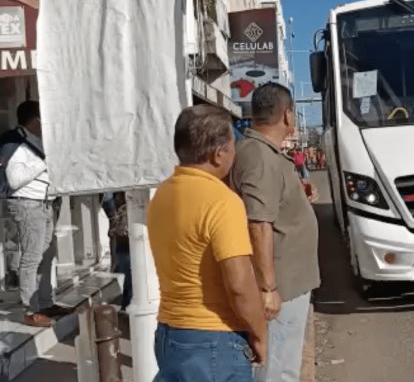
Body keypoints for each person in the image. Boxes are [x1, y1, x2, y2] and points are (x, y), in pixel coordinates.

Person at [148, 104, 267, 381]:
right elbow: (239, 285)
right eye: (233, 145)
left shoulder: (162, 194)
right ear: (218, 154)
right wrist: (259, 332)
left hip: (169, 332)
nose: (235, 153)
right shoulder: (222, 202)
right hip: (213, 339)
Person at [230, 83, 320, 382]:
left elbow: (269, 209)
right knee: (278, 370)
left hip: (288, 282)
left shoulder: (264, 154)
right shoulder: (259, 156)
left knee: (282, 365)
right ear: (287, 115)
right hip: (280, 285)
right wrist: (268, 289)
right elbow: (258, 224)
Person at [3, 101, 66, 327]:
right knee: (31, 257)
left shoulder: (35, 141)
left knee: (46, 254)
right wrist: (43, 164)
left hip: (44, 203)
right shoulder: (16, 144)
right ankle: (31, 311)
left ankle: (45, 302)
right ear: (34, 120)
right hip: (27, 204)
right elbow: (15, 179)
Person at [102, 192, 131, 311]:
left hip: (125, 241)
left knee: (129, 275)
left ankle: (126, 302)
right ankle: (126, 303)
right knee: (129, 274)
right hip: (125, 241)